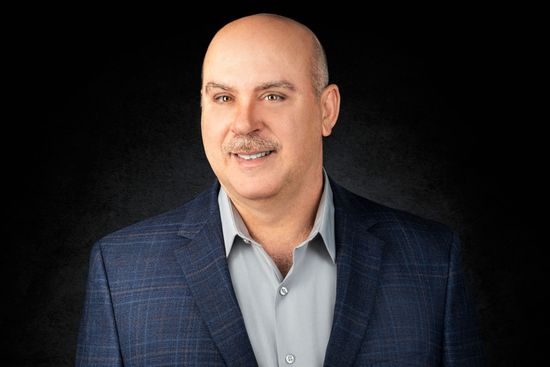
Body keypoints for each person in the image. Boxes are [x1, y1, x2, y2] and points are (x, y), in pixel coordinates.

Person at [76, 13, 485, 366]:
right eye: (223, 97)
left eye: (272, 96)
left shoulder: (431, 262)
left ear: (327, 110)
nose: (243, 123)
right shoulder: (122, 273)